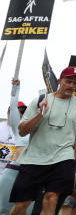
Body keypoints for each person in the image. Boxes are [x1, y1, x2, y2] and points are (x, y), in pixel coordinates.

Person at [10, 67, 76, 215]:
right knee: (22, 203)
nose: (71, 85)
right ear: (59, 81)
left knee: (51, 197)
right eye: (68, 81)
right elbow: (22, 131)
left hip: (63, 157)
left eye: (75, 83)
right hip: (34, 158)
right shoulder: (40, 100)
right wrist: (40, 114)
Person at [0, 80, 30, 215]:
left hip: (31, 175)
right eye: (19, 112)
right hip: (12, 172)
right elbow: (13, 108)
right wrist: (16, 89)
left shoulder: (39, 130)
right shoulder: (18, 129)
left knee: (26, 212)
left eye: (24, 111)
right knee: (2, 210)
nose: (21, 114)